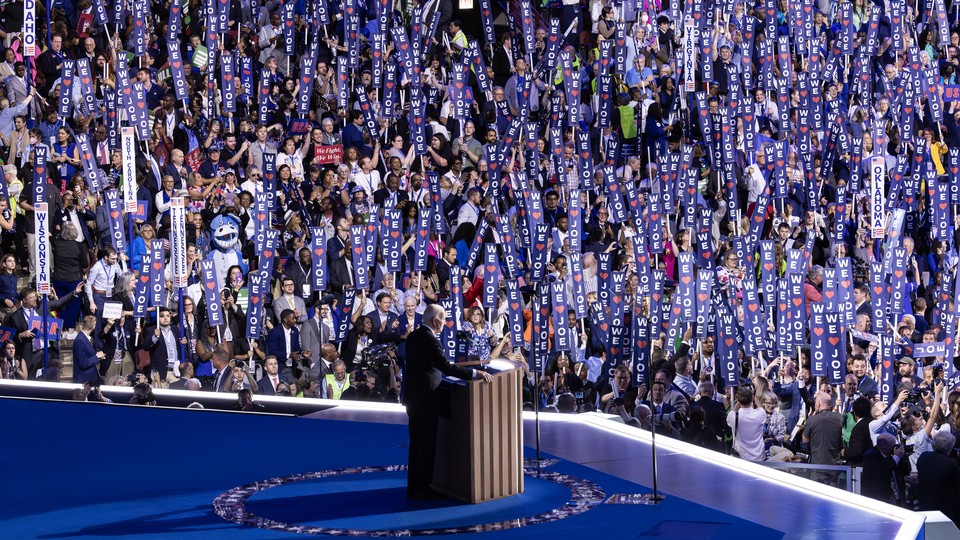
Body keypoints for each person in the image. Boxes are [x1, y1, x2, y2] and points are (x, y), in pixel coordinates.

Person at [402, 304, 493, 499]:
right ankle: (423, 488)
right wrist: (476, 373)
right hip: (426, 400)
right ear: (435, 320)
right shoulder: (430, 340)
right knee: (426, 445)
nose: (444, 323)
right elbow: (446, 367)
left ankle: (414, 486)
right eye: (443, 319)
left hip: (413, 399)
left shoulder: (413, 336)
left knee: (416, 444)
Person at [917, 431, 960, 525]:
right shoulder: (951, 463)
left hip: (925, 503)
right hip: (945, 508)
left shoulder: (924, 456)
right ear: (951, 446)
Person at [861, 433, 911, 506]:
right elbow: (883, 473)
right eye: (892, 446)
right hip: (876, 498)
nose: (894, 448)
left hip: (891, 496)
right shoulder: (870, 455)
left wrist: (903, 457)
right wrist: (896, 457)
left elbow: (905, 471)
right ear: (884, 447)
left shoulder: (890, 455)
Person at [727, 387, 766, 462]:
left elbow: (733, 412)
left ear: (738, 400)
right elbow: (760, 406)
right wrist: (755, 400)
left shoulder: (733, 416)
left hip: (741, 458)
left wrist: (738, 403)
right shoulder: (760, 414)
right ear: (752, 398)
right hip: (759, 457)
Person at [72, 315, 104, 384]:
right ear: (93, 326)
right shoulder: (80, 340)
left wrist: (98, 357)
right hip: (84, 380)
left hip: (89, 379)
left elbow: (87, 357)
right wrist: (96, 357)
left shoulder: (84, 338)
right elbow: (83, 363)